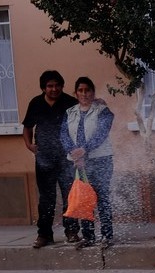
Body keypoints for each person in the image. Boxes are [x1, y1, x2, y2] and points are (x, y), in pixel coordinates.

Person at [22, 70, 79, 248]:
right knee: (46, 198)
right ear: (44, 88)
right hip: (44, 159)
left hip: (66, 158)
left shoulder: (70, 103)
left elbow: (80, 128)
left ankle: (71, 231)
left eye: (57, 85)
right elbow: (27, 127)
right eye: (49, 86)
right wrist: (30, 145)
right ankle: (44, 234)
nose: (54, 89)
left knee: (69, 196)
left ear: (62, 85)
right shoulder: (36, 103)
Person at [60, 77, 114, 249]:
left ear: (93, 92)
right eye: (80, 90)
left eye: (87, 90)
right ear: (75, 93)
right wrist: (74, 153)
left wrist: (84, 150)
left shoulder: (103, 111)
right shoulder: (70, 112)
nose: (84, 94)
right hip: (78, 162)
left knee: (102, 198)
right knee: (83, 199)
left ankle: (107, 236)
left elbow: (102, 133)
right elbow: (64, 135)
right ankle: (88, 237)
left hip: (100, 160)